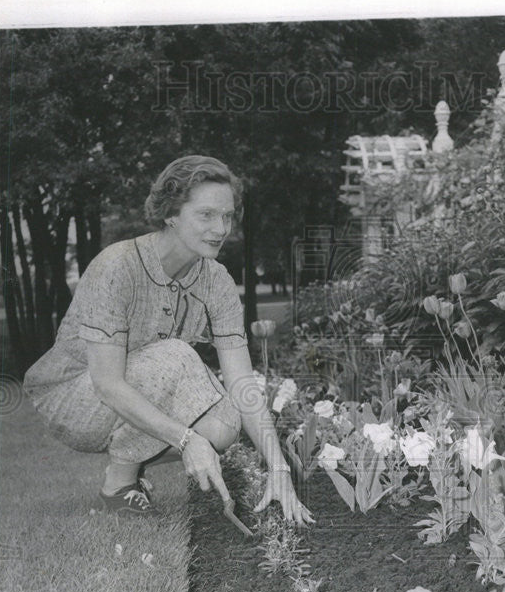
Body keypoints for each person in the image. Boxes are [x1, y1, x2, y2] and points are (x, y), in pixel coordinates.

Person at [23, 154, 313, 526]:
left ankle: (123, 471)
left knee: (224, 428)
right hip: (73, 398)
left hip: (136, 386)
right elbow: (107, 384)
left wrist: (279, 469)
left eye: (227, 216)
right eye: (206, 215)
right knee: (177, 357)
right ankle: (123, 481)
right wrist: (186, 439)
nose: (221, 228)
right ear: (171, 214)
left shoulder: (216, 279)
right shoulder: (117, 266)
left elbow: (242, 383)